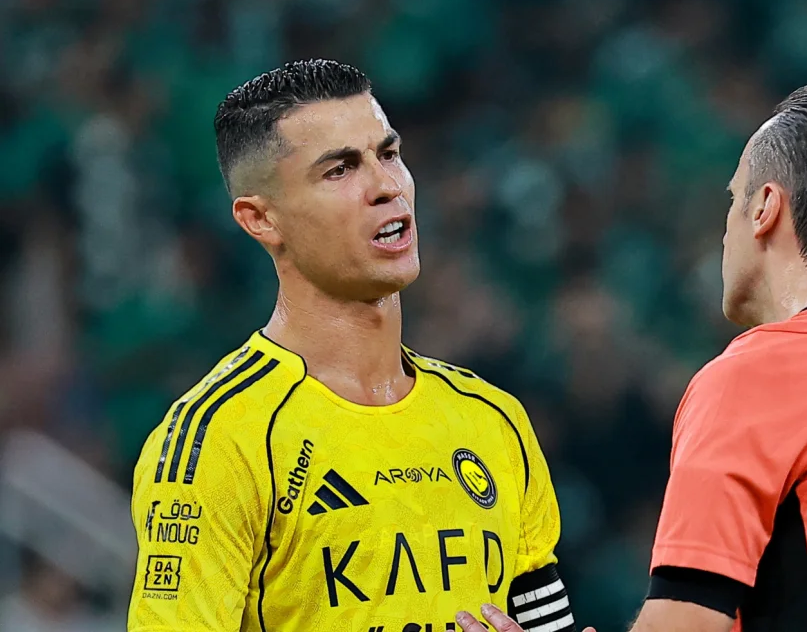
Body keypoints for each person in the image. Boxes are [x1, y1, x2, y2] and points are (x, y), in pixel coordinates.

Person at [466, 83, 807, 632]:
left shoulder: (764, 373)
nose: (727, 229)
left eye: (733, 200)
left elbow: (688, 620)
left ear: (765, 208)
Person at [127, 60, 575, 632]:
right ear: (261, 219)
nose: (387, 187)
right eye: (339, 170)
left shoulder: (494, 420)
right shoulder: (220, 440)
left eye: (388, 154)